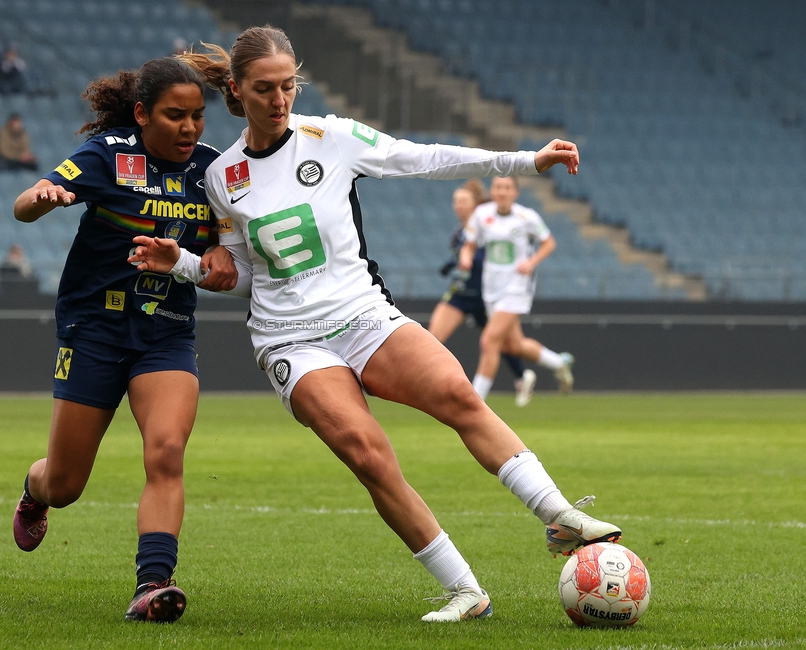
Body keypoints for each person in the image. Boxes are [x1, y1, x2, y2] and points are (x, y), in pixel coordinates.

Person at [132, 26, 623, 624]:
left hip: (362, 314)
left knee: (456, 393)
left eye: (288, 85)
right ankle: (466, 591)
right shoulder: (222, 176)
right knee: (369, 455)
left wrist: (525, 159)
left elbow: (423, 158)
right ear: (236, 90)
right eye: (265, 89)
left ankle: (559, 516)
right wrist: (182, 263)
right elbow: (241, 276)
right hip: (290, 338)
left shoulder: (329, 138)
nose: (280, 99)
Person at [10, 57, 237, 625]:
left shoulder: (213, 171)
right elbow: (24, 206)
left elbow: (228, 256)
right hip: (94, 331)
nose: (190, 129)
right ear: (142, 114)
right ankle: (34, 490)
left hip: (166, 335)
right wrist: (42, 195)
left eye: (198, 117)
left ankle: (153, 583)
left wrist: (219, 254)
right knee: (65, 484)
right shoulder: (110, 153)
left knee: (166, 451)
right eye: (175, 116)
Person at [458, 175, 574, 399]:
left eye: (507, 188)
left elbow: (549, 242)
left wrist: (531, 263)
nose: (502, 192)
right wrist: (465, 257)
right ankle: (559, 362)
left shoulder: (526, 217)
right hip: (492, 287)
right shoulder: (482, 215)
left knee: (489, 340)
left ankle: (475, 400)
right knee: (514, 345)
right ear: (492, 191)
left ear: (515, 193)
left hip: (517, 287)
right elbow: (469, 245)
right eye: (498, 187)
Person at [428, 179, 537, 407]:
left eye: (463, 201)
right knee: (432, 339)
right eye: (456, 201)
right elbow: (464, 252)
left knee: (504, 344)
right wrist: (454, 263)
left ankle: (516, 379)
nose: (458, 205)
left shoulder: (490, 225)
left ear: (475, 203)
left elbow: (489, 256)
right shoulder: (462, 232)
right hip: (463, 294)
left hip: (487, 294)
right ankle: (432, 387)